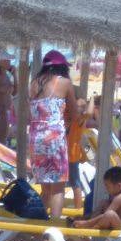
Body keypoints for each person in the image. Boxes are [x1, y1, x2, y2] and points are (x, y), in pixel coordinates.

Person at [28, 49, 77, 221]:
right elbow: (74, 114)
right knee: (57, 188)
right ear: (62, 67)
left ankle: (38, 226)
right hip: (54, 138)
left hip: (36, 139)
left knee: (46, 190)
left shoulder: (34, 84)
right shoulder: (64, 82)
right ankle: (54, 228)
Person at [71, 166, 121, 230]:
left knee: (110, 214)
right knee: (104, 203)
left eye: (107, 186)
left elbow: (105, 215)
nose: (106, 189)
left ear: (119, 186)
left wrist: (86, 223)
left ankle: (90, 227)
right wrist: (85, 218)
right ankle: (88, 221)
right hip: (116, 225)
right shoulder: (116, 195)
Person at [67, 97, 88, 208]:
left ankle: (78, 207)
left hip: (72, 154)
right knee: (73, 181)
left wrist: (92, 99)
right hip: (68, 154)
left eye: (78, 106)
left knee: (75, 182)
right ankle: (77, 206)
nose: (75, 107)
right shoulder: (74, 119)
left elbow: (88, 113)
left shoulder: (80, 120)